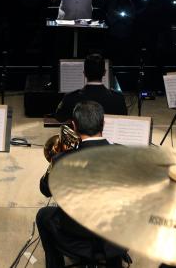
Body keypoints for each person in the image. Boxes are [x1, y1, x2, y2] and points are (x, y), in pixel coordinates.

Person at [37, 101, 126, 268]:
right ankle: (114, 261)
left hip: (75, 240)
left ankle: (54, 264)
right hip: (117, 239)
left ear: (74, 125)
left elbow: (45, 190)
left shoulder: (62, 160)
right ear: (104, 124)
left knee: (43, 215)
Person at [52, 53, 126, 122]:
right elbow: (123, 120)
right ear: (104, 72)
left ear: (84, 73)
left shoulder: (70, 97)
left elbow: (59, 117)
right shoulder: (118, 98)